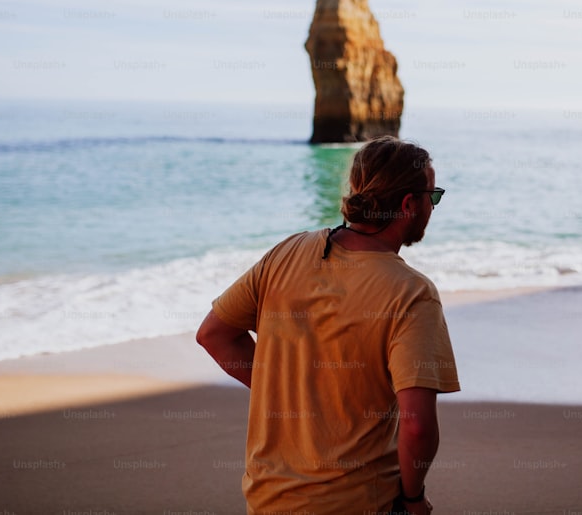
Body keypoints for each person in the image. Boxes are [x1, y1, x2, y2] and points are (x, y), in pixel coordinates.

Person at [197, 136, 460, 515]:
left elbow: (213, 335)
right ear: (408, 204)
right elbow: (417, 427)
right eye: (431, 197)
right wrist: (414, 498)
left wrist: (290, 392)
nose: (432, 207)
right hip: (357, 502)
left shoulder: (287, 253)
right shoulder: (412, 294)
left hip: (267, 498)